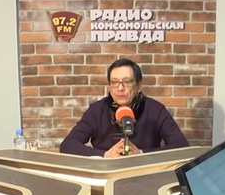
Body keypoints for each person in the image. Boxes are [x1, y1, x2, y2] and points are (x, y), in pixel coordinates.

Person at [60, 58, 189, 157]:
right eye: (115, 82)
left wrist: (142, 154)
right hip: (107, 171)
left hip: (144, 171)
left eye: (126, 82)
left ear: (139, 85)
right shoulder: (96, 110)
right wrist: (105, 155)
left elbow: (181, 146)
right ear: (109, 86)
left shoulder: (155, 110)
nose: (120, 88)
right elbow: (68, 145)